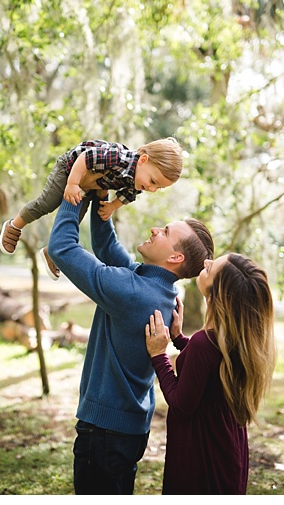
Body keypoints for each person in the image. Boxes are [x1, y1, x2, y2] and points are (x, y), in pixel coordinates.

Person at [47, 193, 214, 494]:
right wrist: (101, 197)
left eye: (165, 232)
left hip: (105, 432)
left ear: (175, 258)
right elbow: (108, 249)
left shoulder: (134, 293)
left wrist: (74, 193)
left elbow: (62, 249)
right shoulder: (156, 287)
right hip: (127, 428)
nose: (154, 230)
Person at [144, 253, 277, 494]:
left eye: (211, 267)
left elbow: (180, 404)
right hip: (227, 446)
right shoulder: (239, 340)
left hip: (201, 452)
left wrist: (158, 355)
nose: (205, 262)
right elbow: (211, 369)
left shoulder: (205, 343)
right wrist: (179, 339)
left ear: (218, 293)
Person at [0, 137, 184, 280]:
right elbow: (85, 158)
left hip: (91, 185)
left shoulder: (138, 180)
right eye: (153, 181)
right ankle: (14, 226)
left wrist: (112, 206)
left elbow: (128, 195)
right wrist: (72, 184)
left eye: (158, 187)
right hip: (70, 170)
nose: (152, 189)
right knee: (47, 203)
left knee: (75, 219)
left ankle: (52, 252)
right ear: (143, 160)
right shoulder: (118, 157)